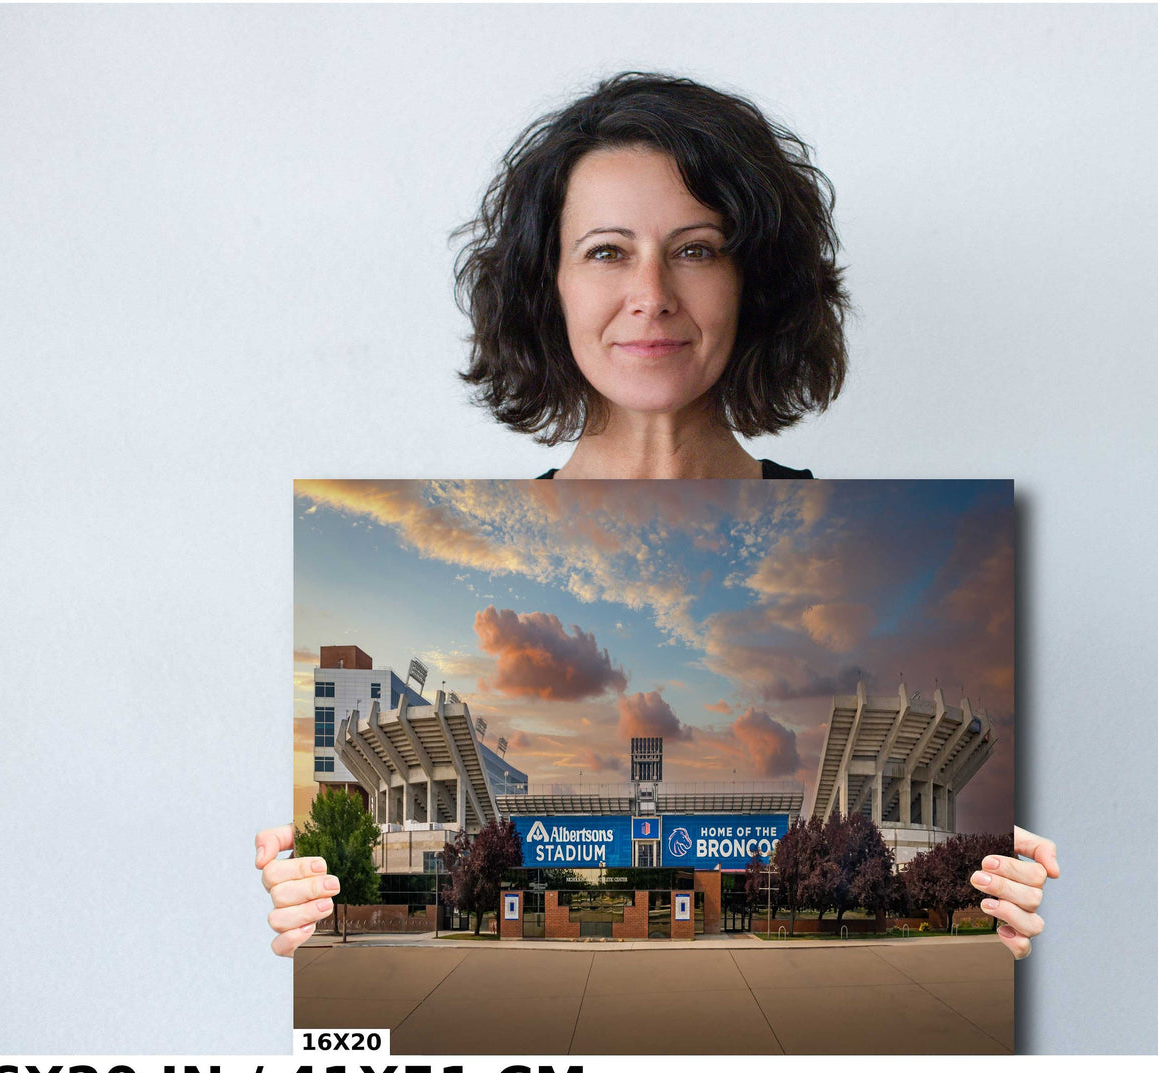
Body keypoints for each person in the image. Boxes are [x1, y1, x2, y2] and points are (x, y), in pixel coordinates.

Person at [258, 72, 1059, 958]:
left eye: (697, 249)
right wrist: (309, 913)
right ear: (547, 285)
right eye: (606, 251)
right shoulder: (490, 535)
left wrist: (1007, 917)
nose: (652, 294)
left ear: (753, 284)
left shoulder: (873, 537)